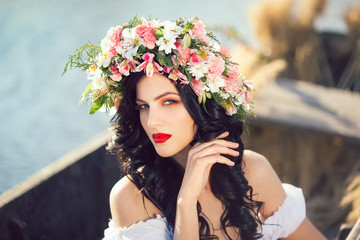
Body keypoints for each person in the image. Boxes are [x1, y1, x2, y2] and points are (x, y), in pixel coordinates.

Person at [64, 16, 327, 240]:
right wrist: (186, 199)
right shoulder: (131, 198)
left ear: (202, 105)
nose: (153, 121)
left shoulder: (253, 171)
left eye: (169, 102)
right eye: (143, 106)